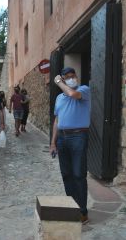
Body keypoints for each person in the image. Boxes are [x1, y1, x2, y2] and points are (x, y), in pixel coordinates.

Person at [50, 67, 91, 224]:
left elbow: (72, 94)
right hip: (62, 138)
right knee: (66, 174)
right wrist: (53, 142)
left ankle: (82, 212)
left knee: (79, 174)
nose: (70, 78)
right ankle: (71, 206)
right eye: (66, 77)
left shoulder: (83, 90)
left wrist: (59, 81)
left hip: (78, 136)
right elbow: (57, 120)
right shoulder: (59, 98)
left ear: (76, 76)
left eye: (72, 75)